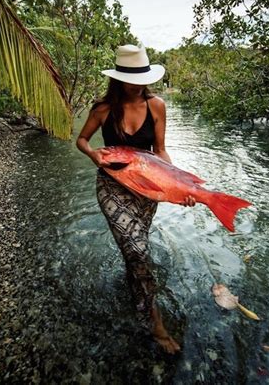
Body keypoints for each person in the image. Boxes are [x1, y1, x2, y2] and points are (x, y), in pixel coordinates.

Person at [76, 43, 196, 354]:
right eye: (133, 78)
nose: (140, 83)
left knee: (136, 244)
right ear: (119, 78)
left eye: (143, 77)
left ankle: (134, 279)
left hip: (147, 187)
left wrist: (177, 183)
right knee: (138, 250)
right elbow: (82, 139)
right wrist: (93, 156)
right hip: (112, 187)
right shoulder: (103, 108)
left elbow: (161, 151)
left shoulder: (157, 105)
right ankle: (155, 323)